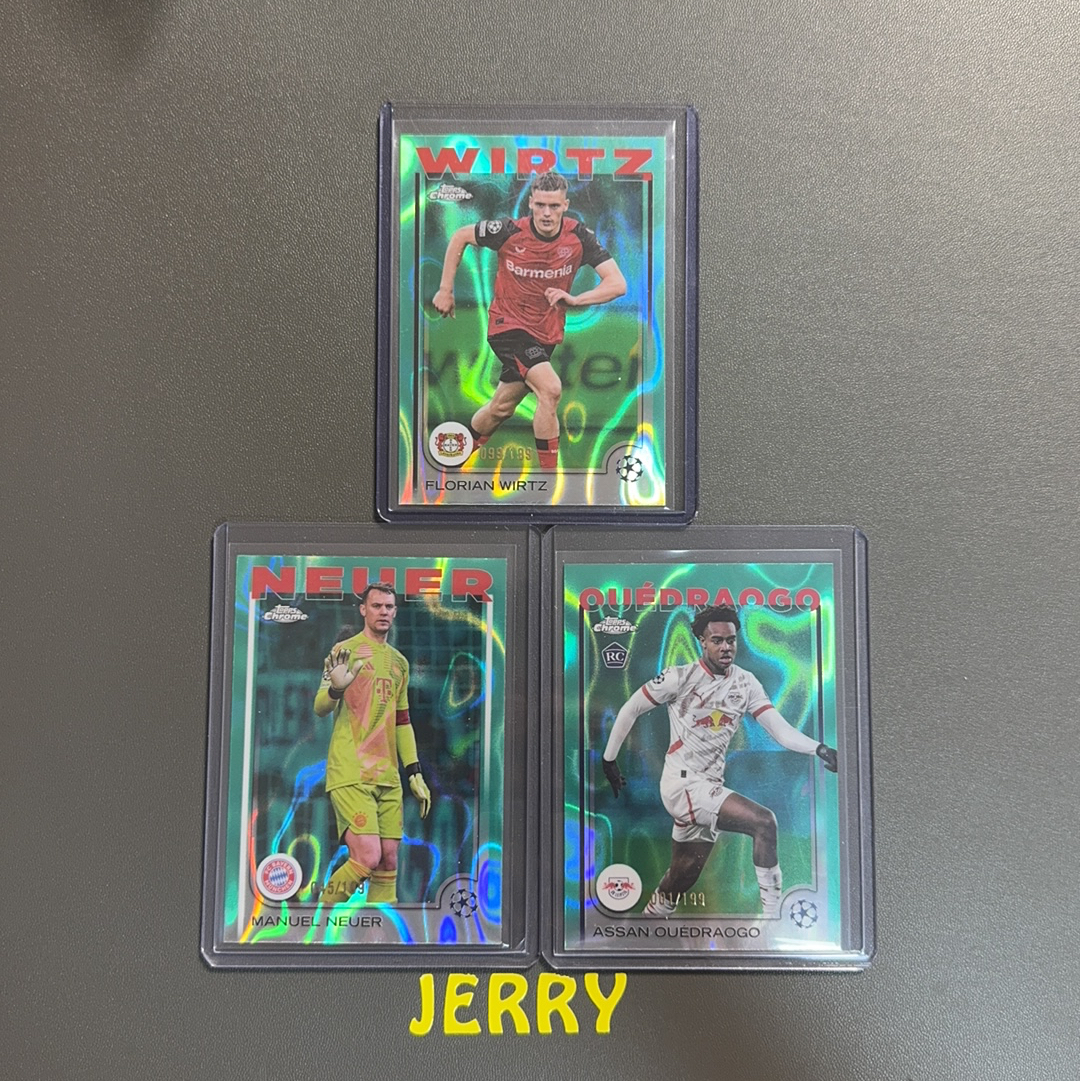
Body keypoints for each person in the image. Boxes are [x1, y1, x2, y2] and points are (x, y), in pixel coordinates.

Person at [601, 605, 838, 918]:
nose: (726, 647)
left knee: (684, 871)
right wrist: (609, 760)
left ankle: (650, 919)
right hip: (683, 784)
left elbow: (779, 730)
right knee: (764, 822)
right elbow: (631, 708)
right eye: (717, 640)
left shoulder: (746, 683)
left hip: (709, 785)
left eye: (731, 640)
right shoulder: (679, 677)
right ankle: (773, 918)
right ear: (702, 641)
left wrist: (818, 748)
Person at [432, 171, 627, 469]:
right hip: (507, 327)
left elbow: (617, 283)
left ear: (565, 205)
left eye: (554, 206)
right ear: (531, 204)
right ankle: (551, 479)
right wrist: (446, 290)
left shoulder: (579, 237)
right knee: (550, 389)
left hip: (545, 335)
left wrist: (576, 300)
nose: (546, 213)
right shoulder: (508, 231)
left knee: (501, 408)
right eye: (540, 205)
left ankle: (453, 456)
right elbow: (461, 236)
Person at [313, 584, 431, 906]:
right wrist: (336, 689)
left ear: (395, 612)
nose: (383, 612)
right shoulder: (344, 652)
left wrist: (414, 772)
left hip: (388, 776)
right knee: (367, 856)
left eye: (389, 607)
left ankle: (378, 931)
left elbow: (402, 721)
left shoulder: (399, 663)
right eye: (376, 605)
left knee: (389, 859)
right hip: (351, 771)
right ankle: (319, 918)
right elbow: (320, 707)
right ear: (363, 610)